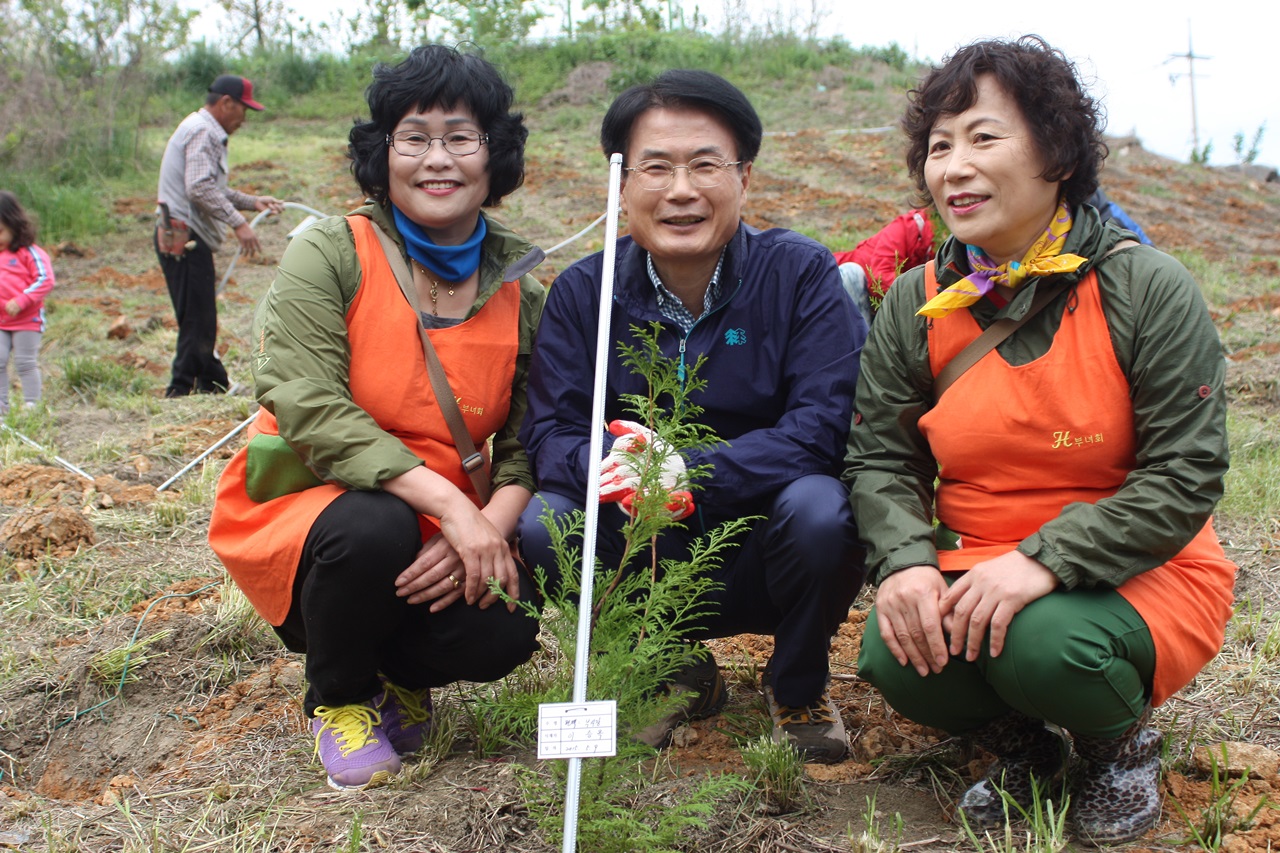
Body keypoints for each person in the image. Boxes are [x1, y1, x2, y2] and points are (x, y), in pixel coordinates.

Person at [844, 36, 1235, 845]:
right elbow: (881, 455)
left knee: (1046, 644)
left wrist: (1043, 560)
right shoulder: (920, 302)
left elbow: (1184, 473)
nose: (954, 166)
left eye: (984, 137)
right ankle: (1022, 748)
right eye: (939, 146)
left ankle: (1118, 744)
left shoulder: (1142, 287)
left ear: (1056, 153)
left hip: (1138, 565)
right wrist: (907, 561)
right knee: (893, 650)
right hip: (977, 558)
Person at [208, 45, 545, 792]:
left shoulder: (523, 287)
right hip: (319, 511)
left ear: (494, 155)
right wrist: (452, 505)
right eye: (414, 136)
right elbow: (307, 401)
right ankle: (340, 699)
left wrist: (489, 523)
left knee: (505, 627)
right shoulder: (331, 251)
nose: (438, 158)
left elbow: (529, 440)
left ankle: (398, 673)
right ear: (382, 152)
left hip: (447, 523)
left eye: (461, 136)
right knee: (372, 527)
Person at [517, 69, 868, 764]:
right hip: (639, 543)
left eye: (705, 164)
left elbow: (825, 425)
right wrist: (614, 466)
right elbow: (549, 433)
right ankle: (664, 668)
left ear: (744, 179)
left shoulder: (800, 274)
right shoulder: (583, 293)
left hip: (763, 538)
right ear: (622, 185)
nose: (681, 190)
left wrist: (693, 470)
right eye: (657, 167)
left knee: (824, 507)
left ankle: (796, 683)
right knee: (544, 522)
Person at [155, 74, 284, 397]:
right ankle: (180, 389)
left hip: (183, 235)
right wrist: (239, 223)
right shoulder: (203, 131)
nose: (243, 120)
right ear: (226, 103)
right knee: (197, 317)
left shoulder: (199, 128)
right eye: (243, 110)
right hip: (185, 238)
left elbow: (213, 187)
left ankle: (213, 384)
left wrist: (252, 202)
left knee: (199, 314)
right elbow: (198, 187)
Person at [0, 191, 55, 413]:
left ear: (14, 225)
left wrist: (22, 300)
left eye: (0, 231)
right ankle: (2, 408)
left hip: (27, 321)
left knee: (25, 362)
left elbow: (45, 279)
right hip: (1, 322)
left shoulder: (29, 252)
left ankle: (32, 405)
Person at [832, 208, 934, 324]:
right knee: (851, 273)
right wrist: (923, 295)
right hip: (840, 285)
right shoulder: (905, 227)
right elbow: (880, 277)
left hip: (877, 305)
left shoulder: (946, 240)